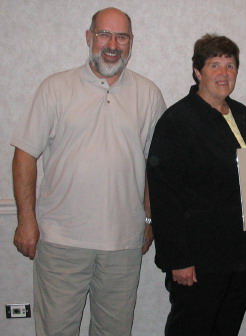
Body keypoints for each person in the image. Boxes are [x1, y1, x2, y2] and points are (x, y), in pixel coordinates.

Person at [11, 7, 166, 336]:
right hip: (61, 241)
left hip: (123, 243)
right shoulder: (55, 88)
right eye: (104, 34)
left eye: (121, 36)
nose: (113, 44)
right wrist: (26, 221)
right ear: (89, 37)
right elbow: (25, 154)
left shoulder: (149, 94)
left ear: (131, 42)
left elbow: (156, 165)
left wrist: (150, 220)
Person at [147, 34, 246, 336]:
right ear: (197, 72)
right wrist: (178, 260)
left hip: (242, 256)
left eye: (230, 65)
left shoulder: (243, 115)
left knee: (226, 329)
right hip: (199, 262)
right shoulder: (178, 121)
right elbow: (165, 195)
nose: (224, 73)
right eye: (215, 65)